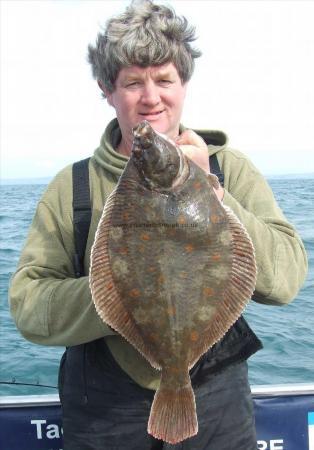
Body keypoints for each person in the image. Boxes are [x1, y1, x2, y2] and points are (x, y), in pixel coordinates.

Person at [9, 1, 308, 449]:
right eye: (132, 82)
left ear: (183, 84)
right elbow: (29, 308)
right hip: (105, 411)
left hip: (217, 401)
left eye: (164, 79)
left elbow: (285, 281)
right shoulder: (72, 189)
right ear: (107, 91)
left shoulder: (229, 170)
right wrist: (122, 296)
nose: (151, 98)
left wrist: (215, 196)